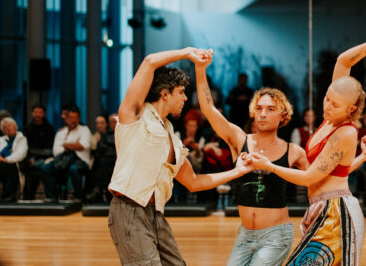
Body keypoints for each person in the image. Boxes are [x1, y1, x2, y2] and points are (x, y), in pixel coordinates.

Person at [248, 27, 366, 266]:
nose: (327, 106)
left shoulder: (345, 132)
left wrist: (269, 166)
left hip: (336, 214)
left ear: (351, 110)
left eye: (335, 104)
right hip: (322, 208)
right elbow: (343, 61)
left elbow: (309, 177)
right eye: (327, 98)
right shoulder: (330, 118)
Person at [108, 48, 254, 266]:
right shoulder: (135, 115)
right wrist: (187, 53)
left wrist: (237, 171)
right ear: (164, 94)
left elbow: (194, 182)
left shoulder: (172, 137)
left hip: (155, 214)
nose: (186, 98)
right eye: (181, 92)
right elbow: (149, 62)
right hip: (128, 209)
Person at [195, 49, 310, 266]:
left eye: (270, 109)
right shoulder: (239, 140)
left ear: (283, 115)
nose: (263, 114)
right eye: (259, 108)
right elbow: (208, 109)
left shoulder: (294, 151)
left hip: (276, 236)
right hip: (245, 235)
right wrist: (200, 69)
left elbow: (313, 182)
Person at [39, 105, 92, 201]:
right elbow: (56, 151)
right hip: (62, 161)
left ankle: (79, 197)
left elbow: (84, 145)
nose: (73, 120)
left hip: (80, 162)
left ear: (79, 119)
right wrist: (74, 145)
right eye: (71, 118)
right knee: (45, 168)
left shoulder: (84, 130)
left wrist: (66, 145)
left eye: (76, 118)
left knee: (74, 168)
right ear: (66, 119)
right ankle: (51, 197)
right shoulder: (61, 132)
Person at [0, 117, 27, 202]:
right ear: (3, 130)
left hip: (13, 164)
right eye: (5, 127)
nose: (8, 128)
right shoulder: (0, 139)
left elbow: (21, 155)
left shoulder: (22, 139)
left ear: (15, 127)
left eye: (10, 126)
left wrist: (5, 159)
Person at [86, 114, 116, 203]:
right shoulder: (95, 136)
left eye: (101, 123)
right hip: (100, 163)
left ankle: (98, 189)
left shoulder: (117, 134)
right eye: (97, 123)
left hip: (113, 162)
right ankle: (99, 190)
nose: (99, 125)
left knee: (105, 162)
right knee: (102, 163)